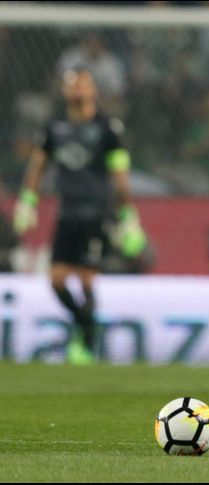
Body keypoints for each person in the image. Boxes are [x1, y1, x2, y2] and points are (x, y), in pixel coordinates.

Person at [13, 67, 146, 365]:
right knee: (57, 280)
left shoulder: (107, 128)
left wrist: (128, 214)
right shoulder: (55, 127)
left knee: (87, 280)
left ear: (93, 91)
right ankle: (83, 326)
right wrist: (27, 200)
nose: (77, 90)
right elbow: (38, 165)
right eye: (72, 85)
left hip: (96, 213)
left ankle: (84, 344)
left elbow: (120, 174)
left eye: (83, 85)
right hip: (67, 213)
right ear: (64, 91)